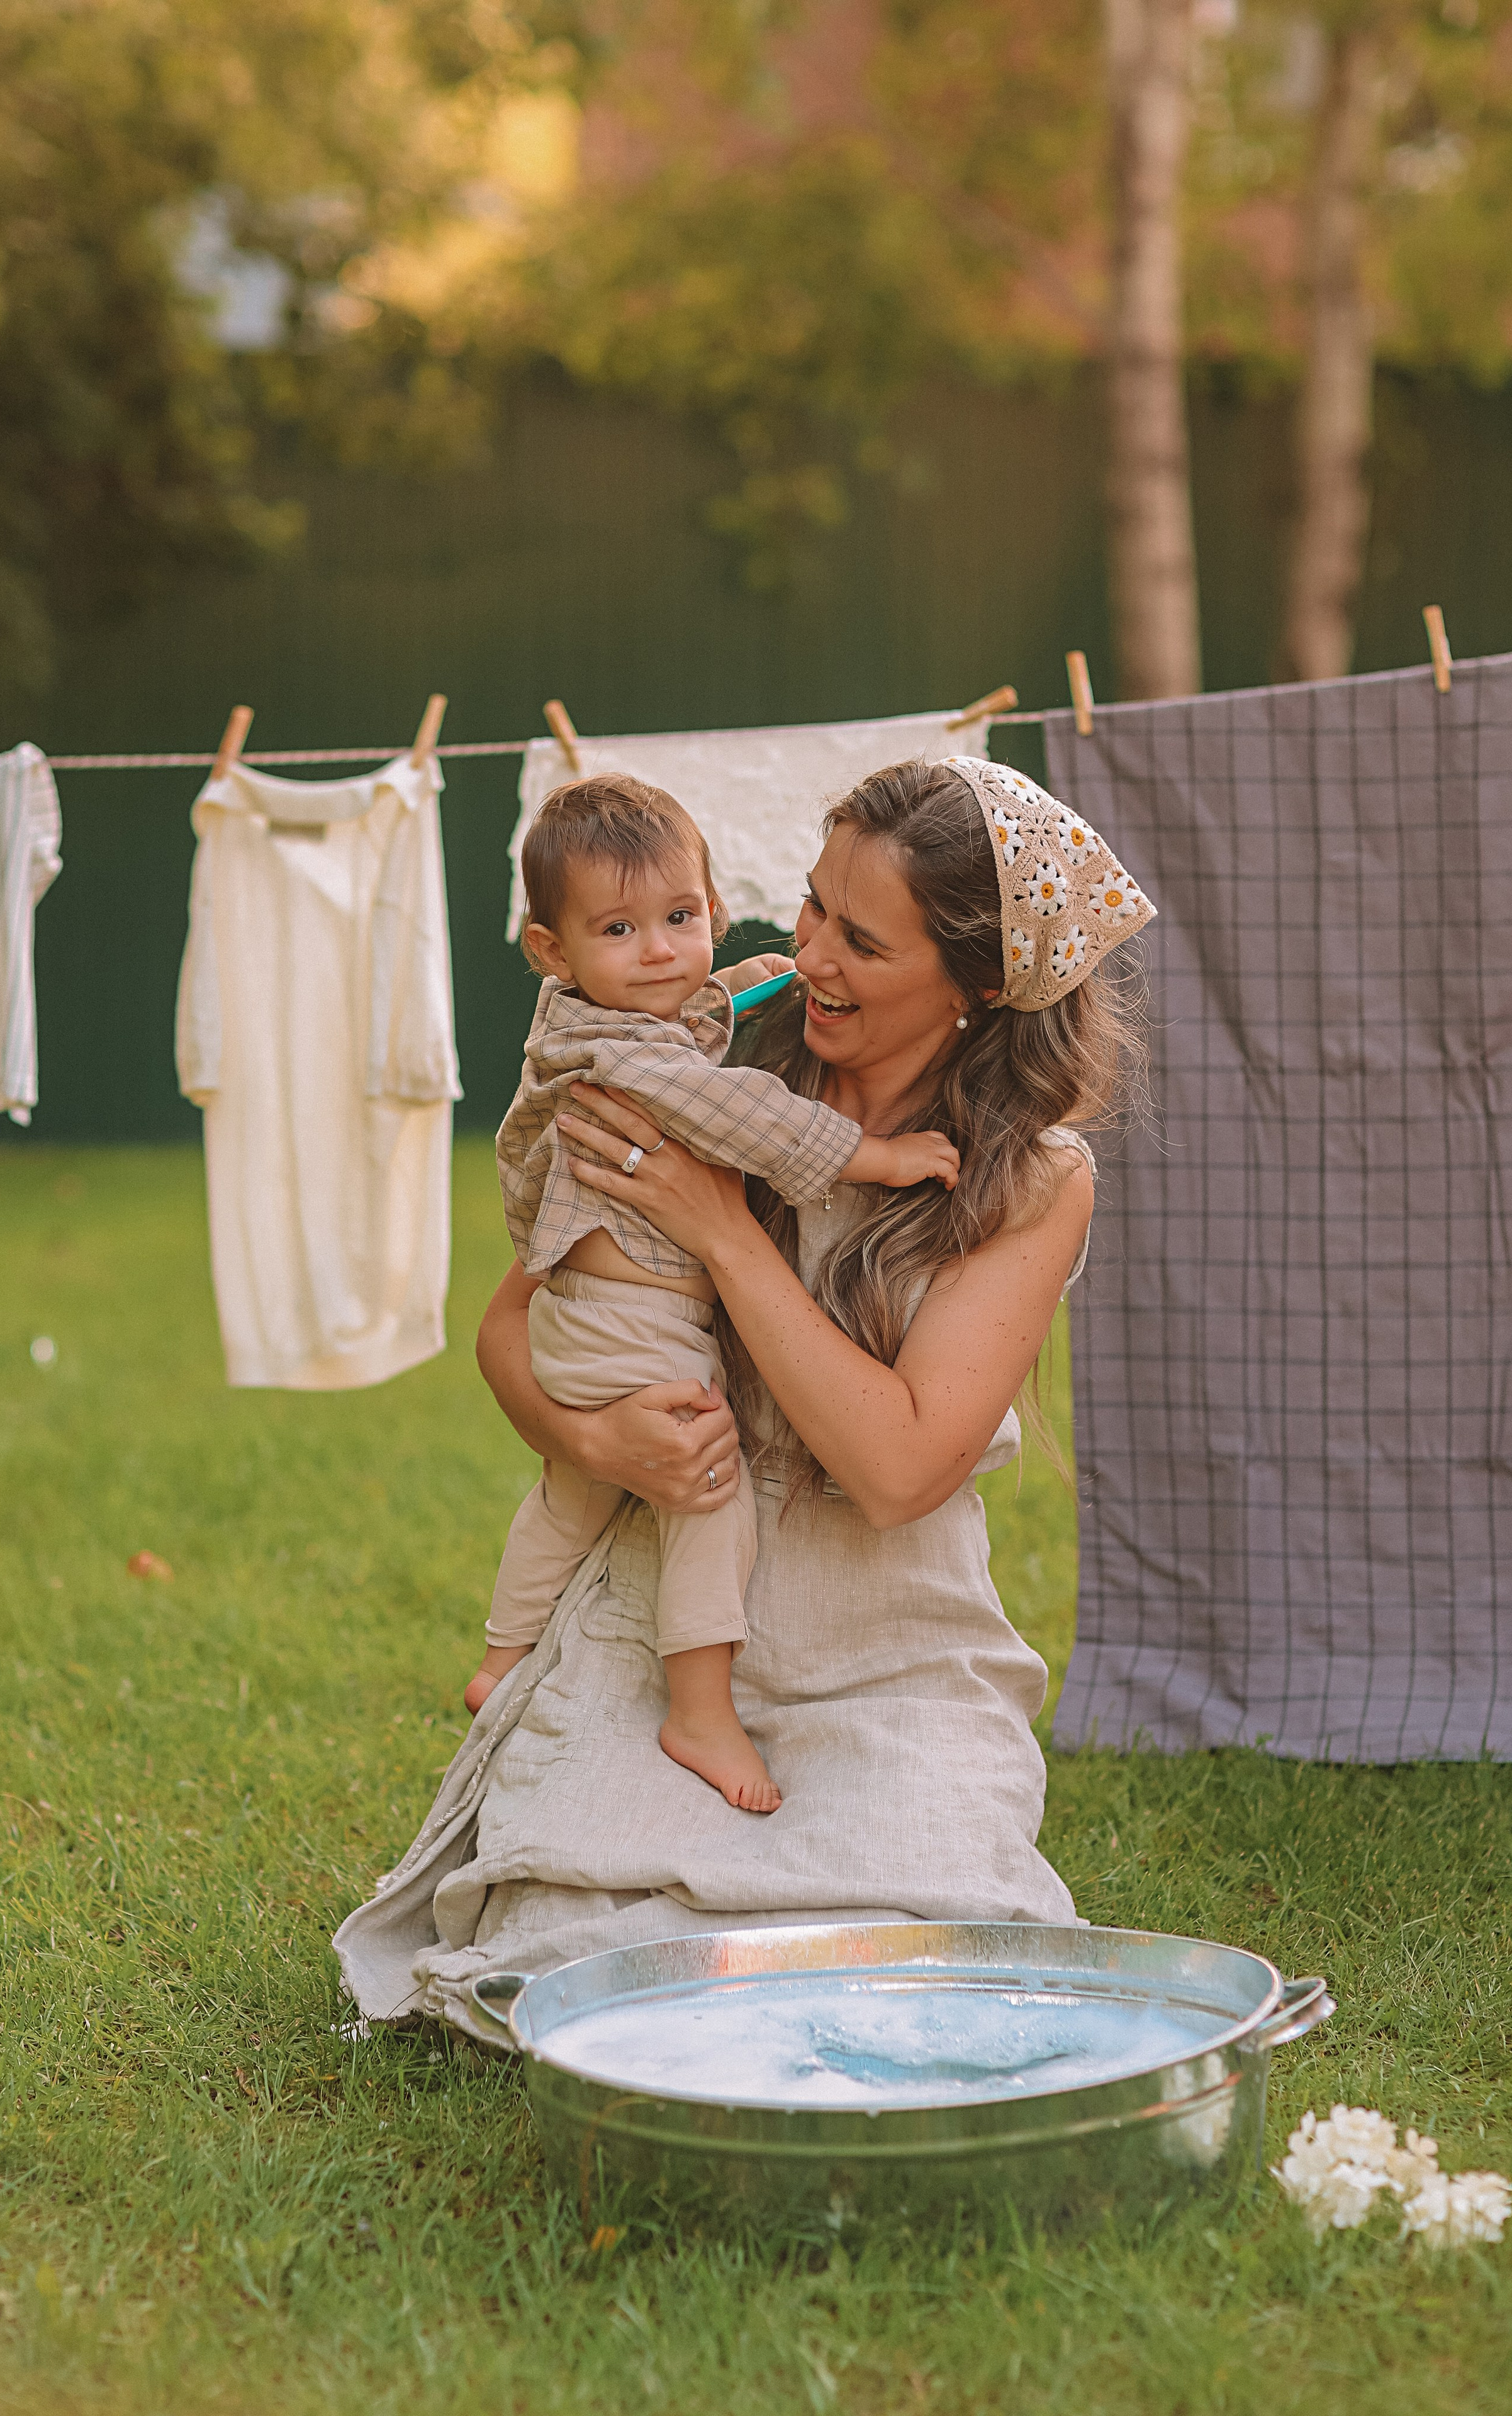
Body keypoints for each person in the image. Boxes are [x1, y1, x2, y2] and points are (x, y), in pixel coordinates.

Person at [333, 754, 1153, 2037]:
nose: (808, 952)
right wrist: (592, 1436)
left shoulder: (1029, 1180)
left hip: (890, 1639)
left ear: (975, 984)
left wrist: (725, 1234)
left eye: (858, 940)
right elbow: (511, 1328)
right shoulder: (702, 1056)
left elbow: (897, 1470)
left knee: (929, 1957)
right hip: (673, 1627)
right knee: (576, 1953)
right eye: (812, 906)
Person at [467, 773, 960, 1813]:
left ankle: (504, 1652)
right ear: (553, 951)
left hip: (589, 1321)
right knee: (708, 1492)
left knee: (570, 1496)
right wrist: (877, 1157)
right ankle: (699, 1707)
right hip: (634, 1323)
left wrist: (735, 986)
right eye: (620, 930)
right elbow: (746, 1117)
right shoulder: (641, 1064)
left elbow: (679, 1027)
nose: (658, 952)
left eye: (681, 919)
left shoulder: (599, 1019)